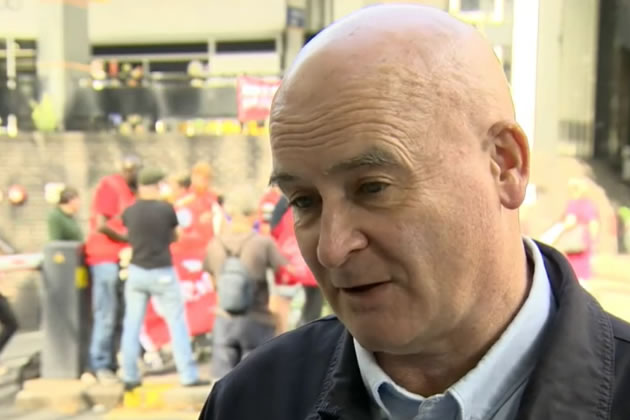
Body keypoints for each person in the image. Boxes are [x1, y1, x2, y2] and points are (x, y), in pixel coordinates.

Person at [199, 5, 630, 420]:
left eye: (373, 188)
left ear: (504, 165)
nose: (332, 248)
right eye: (304, 201)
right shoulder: (249, 400)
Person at [120, 167, 208, 391]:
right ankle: (187, 375)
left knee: (132, 324)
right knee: (177, 323)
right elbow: (175, 236)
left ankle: (129, 375)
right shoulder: (166, 210)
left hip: (137, 270)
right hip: (162, 271)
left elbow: (127, 235)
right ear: (157, 186)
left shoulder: (129, 211)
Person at [204, 190, 289, 379]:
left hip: (224, 320)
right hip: (258, 320)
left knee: (222, 383)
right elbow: (285, 273)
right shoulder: (263, 243)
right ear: (253, 214)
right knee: (258, 381)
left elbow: (212, 281)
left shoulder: (214, 244)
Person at [84, 155, 140, 383]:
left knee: (118, 314)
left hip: (120, 258)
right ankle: (99, 363)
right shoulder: (111, 186)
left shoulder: (130, 192)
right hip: (104, 256)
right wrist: (125, 238)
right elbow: (101, 224)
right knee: (106, 313)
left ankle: (111, 361)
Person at [269, 195, 322, 329]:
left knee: (283, 304)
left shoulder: (285, 199)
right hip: (312, 262)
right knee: (312, 307)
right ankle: (309, 332)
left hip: (287, 262)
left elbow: (274, 228)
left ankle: (283, 333)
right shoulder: (318, 195)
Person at [553, 178, 599, 283]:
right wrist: (593, 241)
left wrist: (558, 231)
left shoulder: (573, 204)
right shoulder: (590, 205)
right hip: (585, 242)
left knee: (573, 272)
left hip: (574, 242)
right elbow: (594, 225)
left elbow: (570, 222)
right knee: (584, 273)